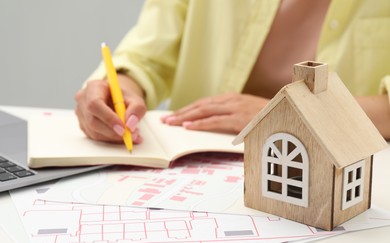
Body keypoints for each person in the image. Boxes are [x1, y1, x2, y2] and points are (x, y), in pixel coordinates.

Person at [75, 0, 390, 146]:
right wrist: (121, 84)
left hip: (351, 175)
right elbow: (148, 53)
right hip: (200, 162)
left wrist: (291, 114)